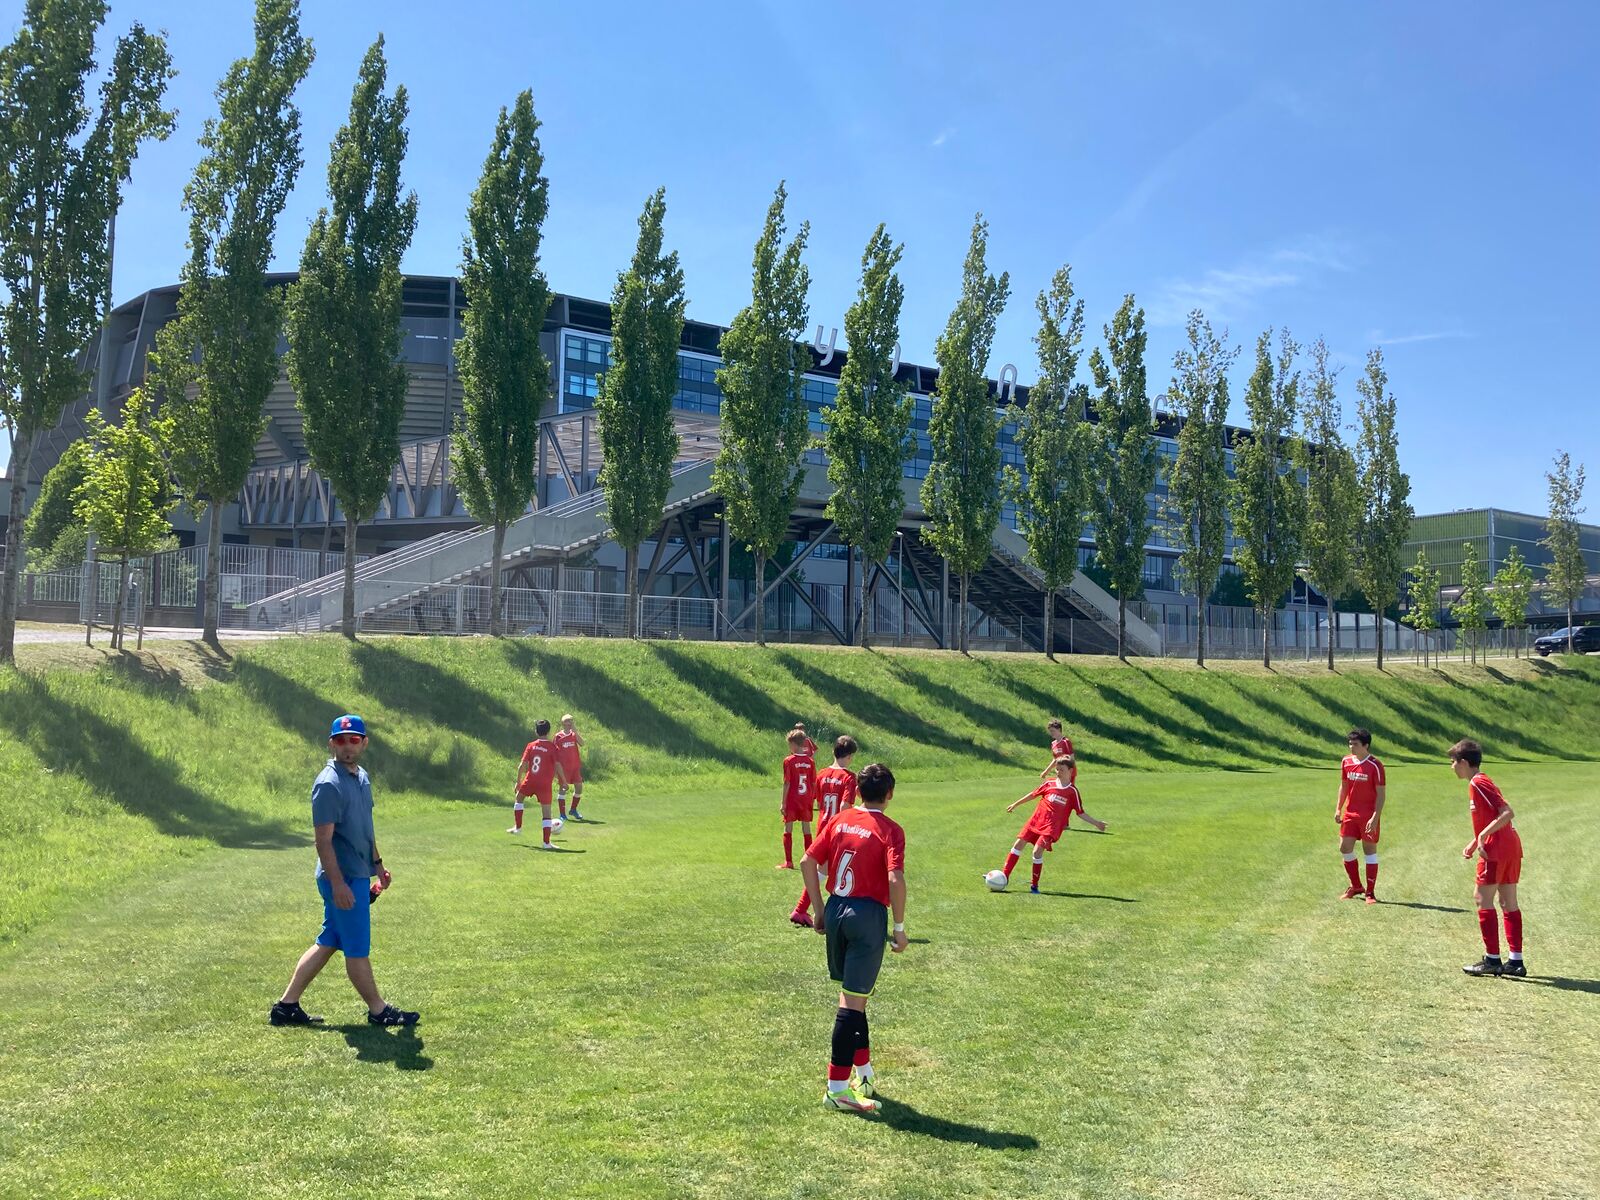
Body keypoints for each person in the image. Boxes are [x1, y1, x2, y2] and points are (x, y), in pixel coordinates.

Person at [269, 714, 419, 1028]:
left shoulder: (361, 777)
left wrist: (377, 865)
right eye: (340, 740)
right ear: (331, 743)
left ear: (364, 742)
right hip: (342, 878)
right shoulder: (328, 784)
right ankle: (379, 1010)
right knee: (356, 949)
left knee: (328, 941)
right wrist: (339, 885)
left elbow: (365, 828)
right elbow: (323, 842)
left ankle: (286, 1006)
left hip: (357, 875)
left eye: (354, 739)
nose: (347, 746)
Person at [800, 762, 907, 1114]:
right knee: (850, 1003)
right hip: (866, 916)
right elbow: (894, 879)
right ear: (889, 794)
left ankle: (864, 1073)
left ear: (858, 791)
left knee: (854, 997)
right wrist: (900, 928)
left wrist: (818, 909)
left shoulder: (839, 820)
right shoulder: (890, 829)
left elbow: (807, 862)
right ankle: (836, 1089)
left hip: (836, 908)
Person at [1450, 739, 1526, 978]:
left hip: (1496, 850)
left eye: (1453, 762)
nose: (1452, 767)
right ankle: (1515, 961)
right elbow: (1494, 816)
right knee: (1508, 903)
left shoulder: (1478, 782)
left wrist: (1482, 835)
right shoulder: (1481, 782)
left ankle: (1492, 959)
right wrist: (1475, 840)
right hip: (1509, 847)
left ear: (1464, 762)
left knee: (1482, 899)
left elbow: (1507, 812)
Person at [992, 756, 1104, 893]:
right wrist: (1015, 804)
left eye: (1061, 769)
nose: (1058, 772)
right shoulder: (1049, 784)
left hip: (1051, 828)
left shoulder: (1072, 792)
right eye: (1056, 769)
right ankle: (1005, 877)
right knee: (1017, 845)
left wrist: (1096, 823)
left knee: (1037, 852)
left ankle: (1034, 886)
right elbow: (1033, 795)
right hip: (1035, 821)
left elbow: (1080, 812)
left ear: (1071, 770)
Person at [789, 736, 859, 928]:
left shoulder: (822, 773)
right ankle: (804, 910)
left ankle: (802, 910)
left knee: (824, 871)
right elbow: (845, 806)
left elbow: (817, 800)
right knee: (836, 872)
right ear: (850, 756)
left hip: (823, 827)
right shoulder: (849, 777)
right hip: (838, 830)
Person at [1336, 728, 1386, 904]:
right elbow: (1344, 786)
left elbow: (1381, 794)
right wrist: (1338, 808)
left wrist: (1375, 817)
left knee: (1369, 851)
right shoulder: (1346, 762)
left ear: (1366, 745)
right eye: (1350, 743)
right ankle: (1356, 886)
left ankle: (1370, 893)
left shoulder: (1375, 765)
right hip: (1350, 813)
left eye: (1355, 744)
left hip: (1368, 815)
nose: (1351, 747)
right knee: (1344, 847)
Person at [510, 719, 566, 849]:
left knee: (519, 799)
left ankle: (518, 827)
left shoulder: (531, 745)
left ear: (536, 731)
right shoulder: (553, 747)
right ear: (548, 731)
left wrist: (518, 782)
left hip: (530, 780)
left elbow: (522, 766)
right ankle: (546, 843)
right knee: (546, 813)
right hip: (544, 784)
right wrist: (563, 781)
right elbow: (557, 765)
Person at [778, 729, 817, 870]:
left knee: (788, 828)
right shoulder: (810, 761)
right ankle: (810, 860)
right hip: (806, 799)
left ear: (794, 744)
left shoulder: (789, 761)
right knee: (806, 829)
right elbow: (813, 782)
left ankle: (788, 862)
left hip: (793, 799)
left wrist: (783, 802)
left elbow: (787, 782)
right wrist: (812, 799)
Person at [554, 714, 586, 821]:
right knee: (563, 789)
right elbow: (554, 753)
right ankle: (562, 814)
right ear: (563, 723)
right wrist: (555, 769)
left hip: (575, 767)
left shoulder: (574, 734)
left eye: (571, 721)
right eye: (568, 721)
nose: (570, 723)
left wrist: (575, 731)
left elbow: (582, 743)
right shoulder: (558, 736)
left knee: (579, 788)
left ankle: (573, 809)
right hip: (564, 768)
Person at [1042, 718, 1077, 783]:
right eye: (1050, 731)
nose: (1051, 733)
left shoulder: (1065, 742)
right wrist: (1046, 771)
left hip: (1068, 772)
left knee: (1067, 791)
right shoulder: (1053, 744)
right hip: (1060, 772)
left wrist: (1069, 772)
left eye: (1053, 731)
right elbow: (1055, 759)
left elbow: (1072, 758)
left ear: (1059, 729)